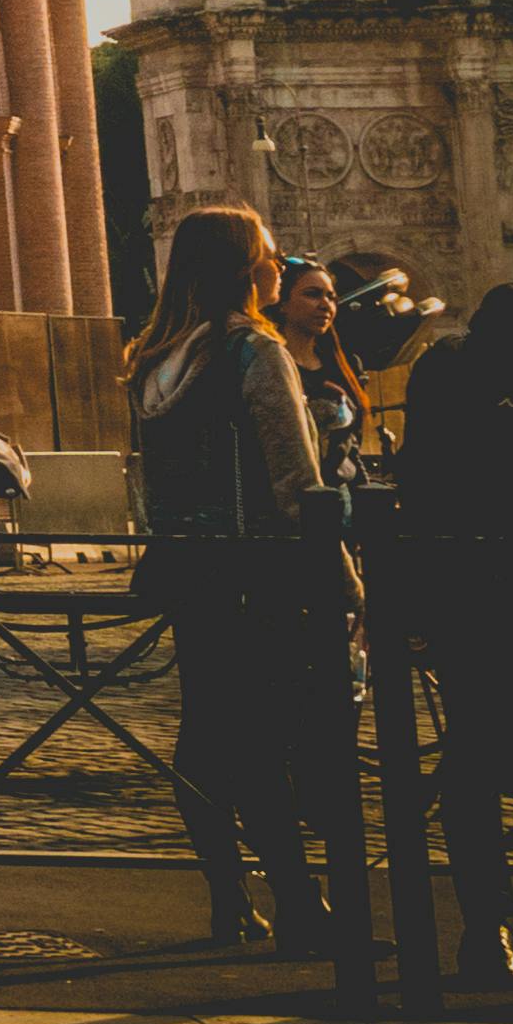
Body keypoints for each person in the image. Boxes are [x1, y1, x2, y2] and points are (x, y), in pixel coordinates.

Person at [126, 201, 339, 952]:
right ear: (243, 266)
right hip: (261, 568)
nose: (278, 266)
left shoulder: (155, 358)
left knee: (204, 735)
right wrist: (340, 573)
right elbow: (296, 477)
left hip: (191, 568)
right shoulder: (254, 350)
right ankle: (303, 906)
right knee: (265, 741)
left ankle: (230, 899)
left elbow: (148, 487)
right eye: (269, 254)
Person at [394, 277, 513, 995]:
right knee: (479, 760)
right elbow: (433, 480)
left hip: (471, 592)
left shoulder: (452, 363)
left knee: (476, 760)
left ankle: (488, 928)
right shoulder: (457, 369)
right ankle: (487, 927)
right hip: (478, 591)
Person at [274, 261, 368, 489]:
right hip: (297, 495)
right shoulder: (271, 367)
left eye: (331, 297)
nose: (326, 304)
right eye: (312, 294)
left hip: (344, 493)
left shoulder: (344, 365)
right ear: (282, 303)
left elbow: (350, 447)